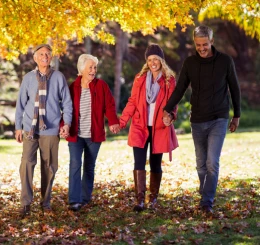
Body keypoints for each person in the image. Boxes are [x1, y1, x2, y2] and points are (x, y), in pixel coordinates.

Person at [163, 25, 241, 214]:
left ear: (212, 42)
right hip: (197, 119)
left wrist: (236, 115)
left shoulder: (225, 61)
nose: (202, 48)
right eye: (198, 45)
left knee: (211, 162)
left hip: (218, 118)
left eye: (205, 44)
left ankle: (207, 202)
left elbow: (234, 87)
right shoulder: (190, 63)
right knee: (200, 164)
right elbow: (180, 88)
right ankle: (205, 192)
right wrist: (167, 109)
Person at [15, 44, 73, 217]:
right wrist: (18, 126)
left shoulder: (58, 77)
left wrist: (66, 124)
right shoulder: (28, 78)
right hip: (29, 129)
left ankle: (45, 202)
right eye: (41, 54)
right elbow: (20, 103)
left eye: (47, 54)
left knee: (49, 167)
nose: (44, 57)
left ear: (51, 57)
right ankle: (25, 203)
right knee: (26, 164)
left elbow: (67, 103)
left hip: (51, 128)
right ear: (35, 58)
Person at [120, 44, 179, 212]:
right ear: (147, 61)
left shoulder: (169, 80)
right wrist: (122, 121)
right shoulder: (140, 78)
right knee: (138, 162)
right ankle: (139, 199)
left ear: (161, 61)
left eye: (156, 59)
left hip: (159, 127)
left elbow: (173, 103)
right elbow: (132, 102)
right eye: (150, 59)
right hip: (140, 126)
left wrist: (170, 116)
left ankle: (152, 198)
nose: (153, 63)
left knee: (155, 163)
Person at [61, 54, 120, 212]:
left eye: (95, 67)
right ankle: (74, 200)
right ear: (81, 69)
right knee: (75, 164)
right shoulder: (73, 87)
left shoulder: (101, 86)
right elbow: (66, 109)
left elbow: (109, 105)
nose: (93, 70)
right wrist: (63, 125)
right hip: (76, 135)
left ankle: (85, 199)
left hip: (94, 135)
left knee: (89, 166)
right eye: (90, 67)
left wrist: (113, 121)